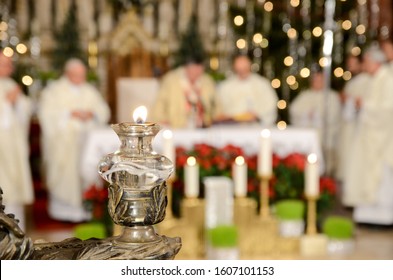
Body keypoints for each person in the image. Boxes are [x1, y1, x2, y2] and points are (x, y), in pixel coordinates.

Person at [38, 58, 110, 222]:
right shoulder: (54, 90)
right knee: (66, 175)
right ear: (68, 74)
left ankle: (87, 210)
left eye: (82, 75)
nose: (80, 78)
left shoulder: (89, 90)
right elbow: (47, 115)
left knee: (87, 171)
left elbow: (103, 110)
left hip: (87, 141)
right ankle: (64, 210)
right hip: (65, 143)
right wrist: (69, 114)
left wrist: (93, 114)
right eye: (77, 75)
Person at [343, 45, 393, 224]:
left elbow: (388, 110)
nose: (365, 66)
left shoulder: (387, 79)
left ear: (375, 62)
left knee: (380, 175)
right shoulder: (373, 80)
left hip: (382, 137)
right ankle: (366, 214)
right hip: (368, 134)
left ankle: (382, 216)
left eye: (367, 62)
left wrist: (365, 105)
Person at [0, 52, 34, 231]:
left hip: (13, 143)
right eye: (5, 64)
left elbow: (24, 110)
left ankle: (16, 227)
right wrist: (7, 103)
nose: (10, 68)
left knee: (14, 183)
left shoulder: (10, 84)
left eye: (9, 64)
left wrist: (18, 103)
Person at [289, 69, 341, 175]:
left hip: (325, 139)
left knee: (326, 166)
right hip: (306, 137)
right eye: (315, 80)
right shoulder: (305, 95)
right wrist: (306, 114)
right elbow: (294, 111)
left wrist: (319, 116)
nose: (317, 83)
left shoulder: (331, 96)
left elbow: (334, 116)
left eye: (319, 80)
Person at [151, 58, 216, 129]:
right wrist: (161, 119)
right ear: (186, 67)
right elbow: (160, 103)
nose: (197, 71)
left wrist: (216, 118)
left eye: (199, 68)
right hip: (176, 126)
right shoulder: (171, 80)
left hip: (203, 126)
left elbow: (215, 104)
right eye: (194, 68)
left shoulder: (207, 81)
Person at [213, 55, 278, 126]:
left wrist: (256, 115)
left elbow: (270, 106)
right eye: (239, 69)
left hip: (257, 127)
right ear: (235, 68)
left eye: (244, 68)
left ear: (249, 66)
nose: (242, 71)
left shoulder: (262, 84)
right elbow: (219, 109)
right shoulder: (225, 86)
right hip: (233, 127)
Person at [336, 55, 370, 181]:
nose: (349, 66)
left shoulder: (366, 80)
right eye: (348, 63)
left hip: (357, 124)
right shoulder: (352, 81)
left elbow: (362, 102)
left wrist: (348, 99)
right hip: (348, 124)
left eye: (352, 63)